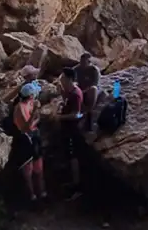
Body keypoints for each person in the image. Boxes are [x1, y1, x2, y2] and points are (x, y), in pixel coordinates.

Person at [11, 82, 46, 201]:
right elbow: (26, 127)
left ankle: (42, 193)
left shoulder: (30, 103)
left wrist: (35, 117)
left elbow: (36, 120)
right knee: (28, 170)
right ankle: (32, 196)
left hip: (34, 136)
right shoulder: (19, 107)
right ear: (31, 96)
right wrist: (34, 113)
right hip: (25, 139)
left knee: (39, 167)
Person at [56, 68, 84, 199]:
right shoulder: (69, 92)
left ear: (69, 79)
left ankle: (77, 186)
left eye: (63, 79)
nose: (61, 81)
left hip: (73, 129)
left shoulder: (76, 94)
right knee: (68, 154)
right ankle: (71, 181)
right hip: (67, 129)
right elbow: (67, 103)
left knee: (74, 157)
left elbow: (76, 114)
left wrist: (60, 117)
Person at [74, 53, 100, 132]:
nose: (82, 64)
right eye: (81, 62)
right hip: (79, 91)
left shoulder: (94, 70)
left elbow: (95, 84)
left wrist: (83, 91)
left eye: (84, 62)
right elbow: (72, 81)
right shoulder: (76, 69)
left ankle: (89, 111)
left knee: (93, 89)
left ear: (89, 62)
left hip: (89, 91)